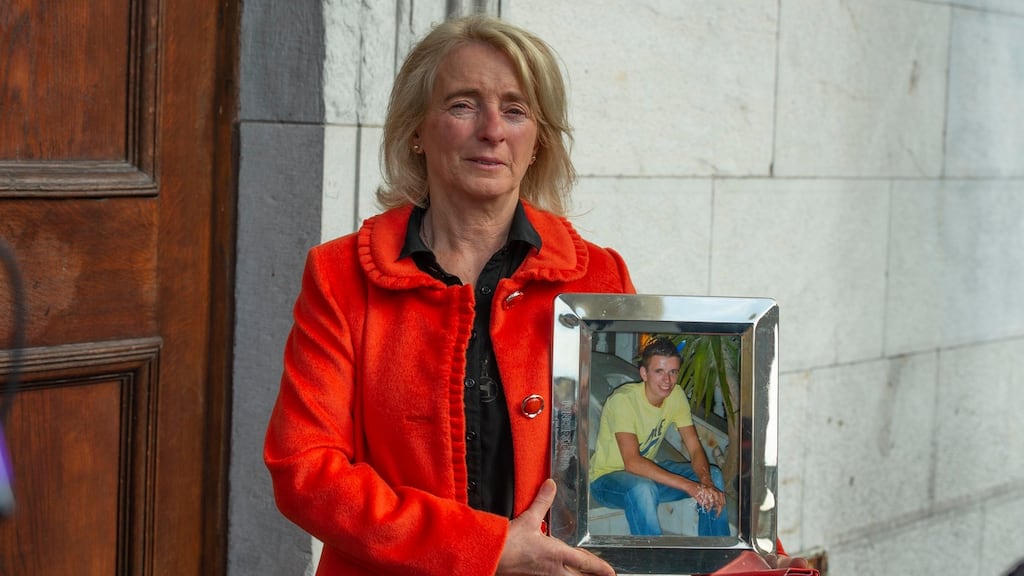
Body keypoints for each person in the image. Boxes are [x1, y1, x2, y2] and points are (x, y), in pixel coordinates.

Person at [263, 14, 631, 576]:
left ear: (537, 142)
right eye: (463, 105)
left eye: (515, 110)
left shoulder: (598, 276)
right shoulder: (339, 276)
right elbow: (304, 471)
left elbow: (627, 449)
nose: (492, 130)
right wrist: (487, 550)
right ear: (416, 129)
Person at [589, 337, 730, 537]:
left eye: (673, 372)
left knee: (714, 475)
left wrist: (705, 482)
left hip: (646, 477)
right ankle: (652, 560)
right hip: (607, 480)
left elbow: (695, 448)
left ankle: (717, 558)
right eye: (659, 372)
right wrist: (690, 486)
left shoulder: (676, 395)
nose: (667, 380)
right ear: (644, 373)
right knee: (642, 488)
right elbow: (633, 463)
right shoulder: (623, 401)